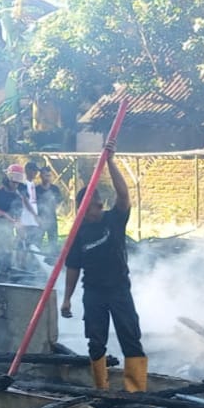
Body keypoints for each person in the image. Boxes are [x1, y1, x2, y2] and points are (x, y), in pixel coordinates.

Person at [61, 138, 146, 392]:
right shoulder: (78, 233)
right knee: (95, 343)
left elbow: (124, 194)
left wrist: (110, 161)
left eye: (91, 207)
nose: (88, 213)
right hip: (94, 293)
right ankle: (102, 391)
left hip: (119, 289)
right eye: (83, 209)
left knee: (131, 339)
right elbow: (73, 267)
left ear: (98, 204)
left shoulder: (114, 219)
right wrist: (66, 299)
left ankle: (137, 392)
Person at [35, 165, 63, 253]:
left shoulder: (55, 189)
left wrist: (57, 209)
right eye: (46, 175)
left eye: (49, 175)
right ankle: (36, 261)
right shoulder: (36, 189)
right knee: (37, 243)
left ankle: (53, 262)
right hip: (40, 220)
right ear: (41, 176)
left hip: (52, 220)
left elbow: (60, 202)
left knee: (53, 242)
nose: (48, 177)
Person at [18, 161, 42, 253]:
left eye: (36, 171)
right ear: (27, 170)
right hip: (25, 217)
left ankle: (28, 261)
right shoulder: (23, 183)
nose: (36, 173)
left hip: (32, 218)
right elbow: (25, 200)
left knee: (31, 241)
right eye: (34, 170)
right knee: (23, 241)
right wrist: (35, 215)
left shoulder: (32, 183)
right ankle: (21, 263)